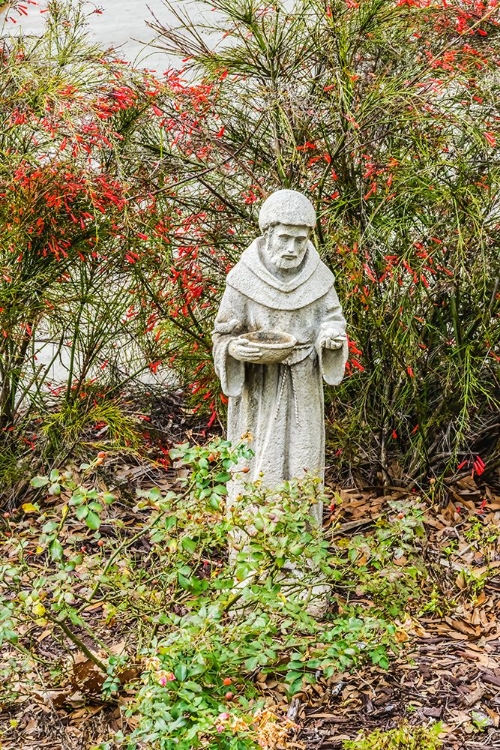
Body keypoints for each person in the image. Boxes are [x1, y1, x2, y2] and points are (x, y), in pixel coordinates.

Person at [212, 189, 347, 523]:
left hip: (302, 387)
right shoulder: (243, 279)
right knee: (256, 463)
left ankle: (300, 560)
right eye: (285, 238)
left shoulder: (319, 279)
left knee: (303, 464)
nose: (292, 249)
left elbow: (332, 321)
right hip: (258, 392)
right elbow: (223, 333)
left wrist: (330, 339)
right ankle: (251, 551)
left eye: (300, 241)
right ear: (268, 234)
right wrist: (232, 349)